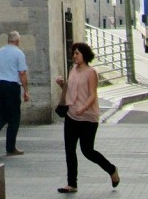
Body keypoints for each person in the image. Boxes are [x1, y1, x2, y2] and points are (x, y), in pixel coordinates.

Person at [55, 41, 120, 194]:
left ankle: (111, 169)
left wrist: (84, 107)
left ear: (85, 55)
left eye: (77, 53)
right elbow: (70, 90)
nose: (74, 56)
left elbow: (92, 94)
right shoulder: (73, 70)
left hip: (88, 118)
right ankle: (72, 184)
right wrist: (62, 84)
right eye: (74, 53)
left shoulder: (91, 72)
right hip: (72, 115)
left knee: (87, 151)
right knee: (69, 150)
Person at [0, 30, 29, 155]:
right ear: (18, 41)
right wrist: (26, 90)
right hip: (11, 86)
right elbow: (22, 73)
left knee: (4, 114)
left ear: (8, 40)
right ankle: (10, 147)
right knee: (14, 117)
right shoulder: (18, 53)